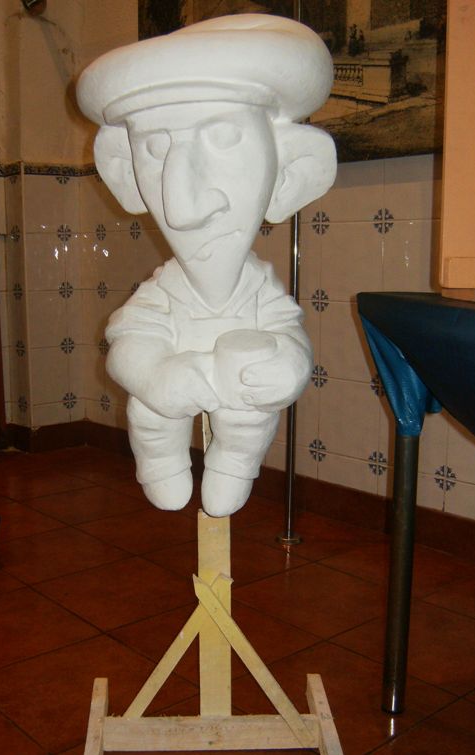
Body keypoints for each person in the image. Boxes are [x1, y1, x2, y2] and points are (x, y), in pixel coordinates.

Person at [77, 14, 337, 516]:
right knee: (150, 411)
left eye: (223, 137)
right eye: (155, 148)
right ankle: (158, 461)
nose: (181, 209)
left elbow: (289, 334)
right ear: (126, 174)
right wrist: (154, 375)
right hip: (171, 392)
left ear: (289, 173)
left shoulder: (258, 288)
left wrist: (286, 367)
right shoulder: (165, 290)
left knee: (250, 416)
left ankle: (236, 464)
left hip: (238, 399)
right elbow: (126, 344)